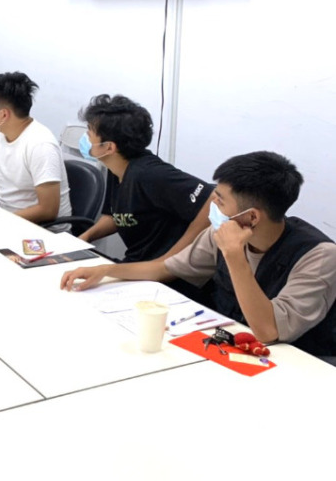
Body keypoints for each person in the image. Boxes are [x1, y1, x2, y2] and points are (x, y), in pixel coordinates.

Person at [60, 151, 336, 356]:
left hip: (299, 362)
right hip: (231, 345)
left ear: (251, 217)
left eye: (220, 201)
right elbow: (165, 268)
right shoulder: (221, 232)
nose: (212, 206)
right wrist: (108, 270)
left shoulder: (318, 256)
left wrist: (234, 255)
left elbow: (269, 330)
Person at [75, 94, 214, 262]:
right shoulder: (116, 167)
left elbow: (211, 200)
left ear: (109, 147)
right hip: (137, 262)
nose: (86, 136)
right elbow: (115, 217)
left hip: (162, 270)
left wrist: (174, 256)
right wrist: (86, 237)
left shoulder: (149, 173)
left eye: (89, 133)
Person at [0, 72, 71, 229]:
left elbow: (48, 210)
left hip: (43, 230)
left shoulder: (41, 145)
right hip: (7, 221)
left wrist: (1, 223)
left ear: (3, 115)